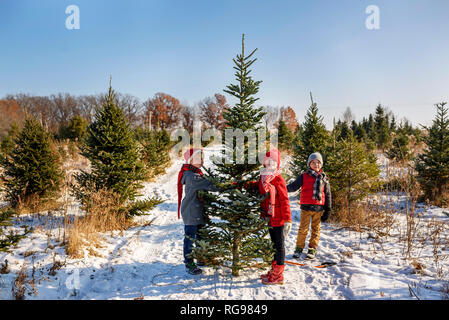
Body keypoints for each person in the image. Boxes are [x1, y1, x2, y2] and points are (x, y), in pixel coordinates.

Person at [248, 149, 292, 285]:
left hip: (278, 218)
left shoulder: (278, 179)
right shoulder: (264, 177)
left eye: (272, 161)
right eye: (267, 162)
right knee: (274, 244)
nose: (269, 164)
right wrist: (242, 184)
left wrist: (287, 219)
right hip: (269, 216)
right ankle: (274, 270)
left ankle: (278, 275)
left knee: (279, 245)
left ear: (277, 163)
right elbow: (257, 186)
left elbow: (285, 200)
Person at [177, 147, 220, 275]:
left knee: (201, 235)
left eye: (201, 157)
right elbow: (211, 185)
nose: (200, 160)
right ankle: (189, 262)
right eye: (196, 158)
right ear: (189, 161)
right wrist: (227, 185)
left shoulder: (195, 173)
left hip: (197, 210)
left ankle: (201, 258)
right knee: (190, 238)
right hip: (191, 211)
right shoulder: (192, 176)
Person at [286, 152, 332, 260]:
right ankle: (299, 248)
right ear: (309, 164)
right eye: (313, 162)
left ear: (321, 165)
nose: (316, 165)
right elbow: (293, 186)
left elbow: (328, 194)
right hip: (306, 208)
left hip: (318, 209)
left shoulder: (324, 178)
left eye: (318, 163)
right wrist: (282, 187)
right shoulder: (304, 176)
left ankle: (312, 249)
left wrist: (328, 209)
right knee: (303, 229)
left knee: (316, 230)